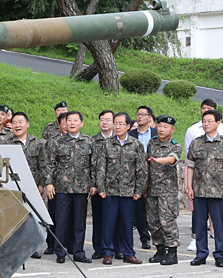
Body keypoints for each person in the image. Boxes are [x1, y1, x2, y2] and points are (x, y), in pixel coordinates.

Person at [185, 110, 223, 268]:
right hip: (200, 191)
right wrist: (188, 185)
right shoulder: (196, 143)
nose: (206, 124)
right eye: (204, 121)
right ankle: (201, 254)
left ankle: (219, 254)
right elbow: (190, 166)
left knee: (218, 224)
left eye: (209, 121)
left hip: (219, 191)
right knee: (200, 224)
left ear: (218, 122)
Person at [45, 111, 97, 264]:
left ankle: (78, 252)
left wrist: (94, 184)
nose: (72, 123)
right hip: (62, 188)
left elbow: (94, 165)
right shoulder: (57, 142)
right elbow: (50, 164)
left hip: (82, 189)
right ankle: (60, 251)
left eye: (75, 120)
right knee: (62, 221)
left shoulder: (89, 142)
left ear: (81, 123)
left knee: (80, 222)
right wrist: (49, 182)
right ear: (65, 124)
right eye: (69, 120)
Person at [97, 112, 147, 265]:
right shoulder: (106, 144)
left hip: (128, 192)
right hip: (110, 191)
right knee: (108, 224)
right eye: (115, 123)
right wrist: (101, 188)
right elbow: (100, 168)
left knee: (127, 224)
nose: (117, 127)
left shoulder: (136, 144)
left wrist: (138, 190)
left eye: (121, 124)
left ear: (128, 126)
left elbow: (141, 169)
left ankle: (128, 253)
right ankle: (108, 252)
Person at [7, 111, 45, 259]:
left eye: (20, 122)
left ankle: (31, 248)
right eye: (14, 122)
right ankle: (15, 248)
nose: (17, 125)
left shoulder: (37, 143)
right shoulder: (7, 143)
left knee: (33, 218)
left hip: (33, 187)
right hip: (13, 187)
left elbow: (44, 165)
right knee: (15, 217)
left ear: (27, 124)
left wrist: (42, 184)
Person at [146, 115, 182, 266]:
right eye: (159, 126)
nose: (161, 129)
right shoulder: (152, 143)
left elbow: (172, 159)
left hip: (167, 192)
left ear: (172, 129)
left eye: (165, 127)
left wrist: (158, 160)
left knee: (167, 222)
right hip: (152, 189)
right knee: (153, 222)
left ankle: (172, 252)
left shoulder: (175, 146)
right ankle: (160, 250)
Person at [129, 105, 158, 250]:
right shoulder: (131, 134)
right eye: (138, 114)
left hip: (155, 176)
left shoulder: (157, 133)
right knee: (139, 210)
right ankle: (144, 238)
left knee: (154, 209)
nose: (139, 117)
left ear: (150, 118)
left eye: (143, 114)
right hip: (136, 176)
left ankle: (159, 238)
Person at [42, 112, 70, 255]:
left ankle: (68, 244)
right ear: (58, 125)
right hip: (55, 185)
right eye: (64, 123)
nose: (67, 125)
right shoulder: (52, 141)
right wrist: (48, 183)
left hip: (70, 187)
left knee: (68, 217)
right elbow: (48, 164)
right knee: (53, 215)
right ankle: (51, 244)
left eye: (69, 122)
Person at [90, 110, 115, 260]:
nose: (104, 122)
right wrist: (94, 184)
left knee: (114, 219)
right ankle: (98, 248)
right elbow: (91, 165)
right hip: (98, 187)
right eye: (102, 120)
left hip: (114, 188)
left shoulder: (120, 139)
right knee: (98, 219)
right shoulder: (93, 141)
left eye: (108, 120)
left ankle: (114, 247)